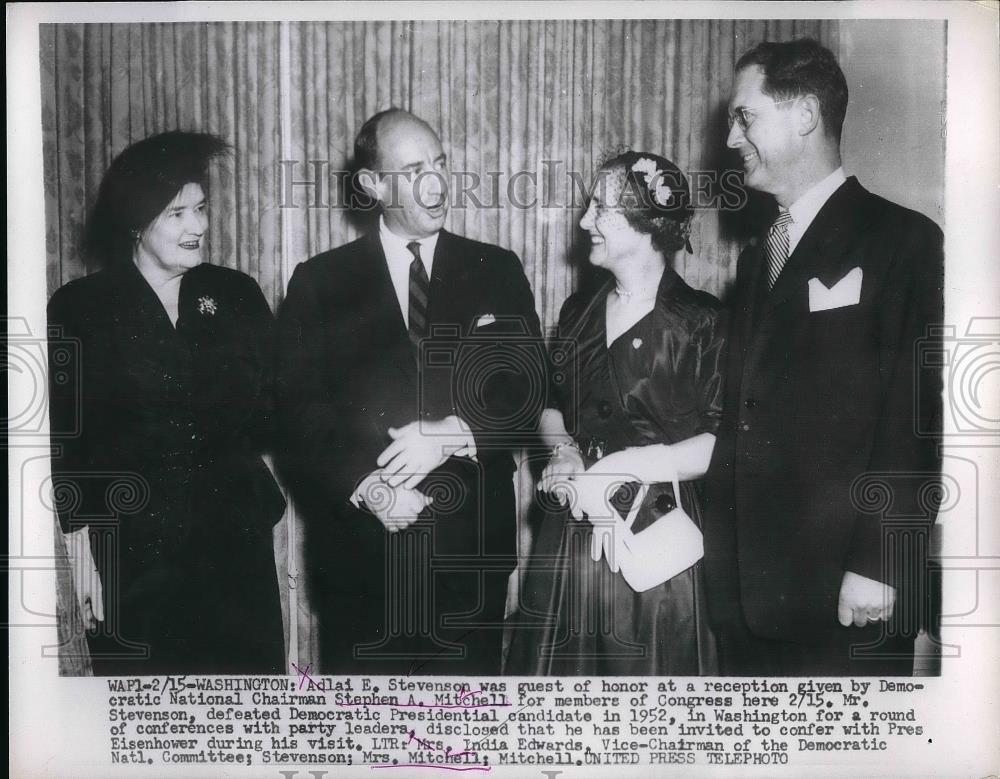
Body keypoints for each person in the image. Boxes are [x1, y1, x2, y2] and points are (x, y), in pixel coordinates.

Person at [704, 39, 944, 675]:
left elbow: (914, 419)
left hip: (846, 594)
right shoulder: (760, 257)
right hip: (747, 599)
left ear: (805, 114)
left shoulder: (905, 241)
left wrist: (879, 565)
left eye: (744, 117)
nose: (731, 138)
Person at [276, 108, 544, 675]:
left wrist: (453, 434)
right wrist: (370, 488)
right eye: (415, 168)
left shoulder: (495, 268)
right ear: (373, 185)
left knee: (462, 745)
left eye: (441, 164)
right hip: (362, 563)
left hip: (468, 563)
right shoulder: (319, 282)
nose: (437, 182)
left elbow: (526, 386)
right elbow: (297, 413)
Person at [47, 131, 286, 676]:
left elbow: (279, 410)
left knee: (244, 708)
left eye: (201, 209)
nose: (198, 227)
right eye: (177, 214)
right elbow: (65, 441)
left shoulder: (234, 293)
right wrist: (79, 553)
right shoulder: (80, 308)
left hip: (233, 544)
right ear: (136, 219)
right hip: (134, 552)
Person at [506, 151, 724, 675]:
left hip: (658, 537)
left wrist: (630, 467)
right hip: (572, 535)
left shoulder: (701, 321)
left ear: (647, 224)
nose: (584, 223)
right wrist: (562, 452)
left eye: (599, 210)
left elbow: (721, 443)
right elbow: (553, 404)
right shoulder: (577, 312)